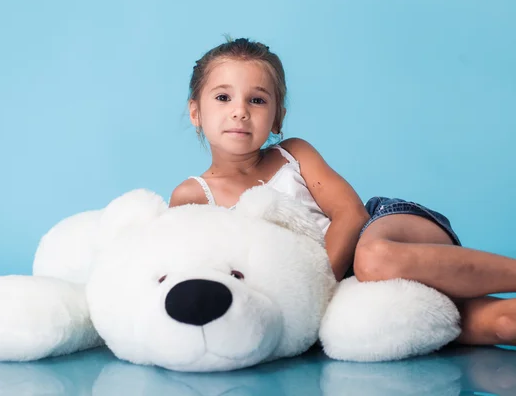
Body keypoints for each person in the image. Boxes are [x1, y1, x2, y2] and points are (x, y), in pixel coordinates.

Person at [169, 37, 516, 347]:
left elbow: (351, 214)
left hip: (381, 232)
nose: (240, 111)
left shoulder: (292, 153)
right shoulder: (192, 196)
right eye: (223, 97)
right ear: (196, 112)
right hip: (356, 293)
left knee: (374, 258)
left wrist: (318, 295)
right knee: (499, 323)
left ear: (277, 118)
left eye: (257, 100)